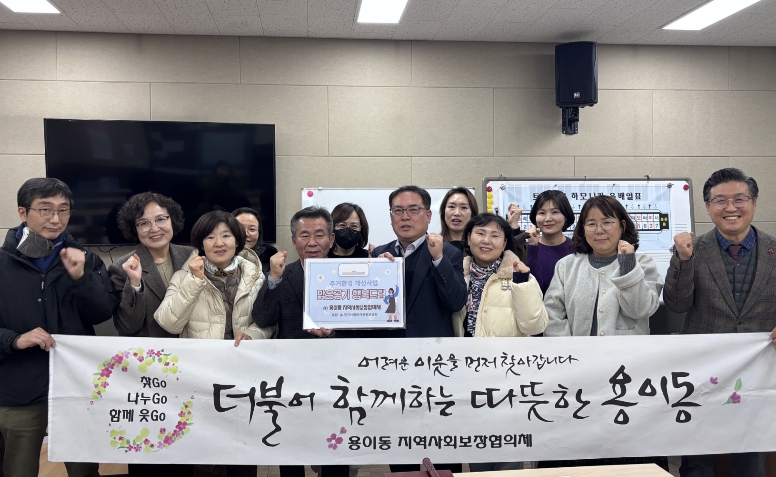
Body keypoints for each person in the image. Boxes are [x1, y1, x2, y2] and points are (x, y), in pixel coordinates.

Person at [0, 178, 118, 477]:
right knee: (17, 468)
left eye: (63, 210)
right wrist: (14, 339)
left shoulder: (86, 259)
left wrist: (82, 277)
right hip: (18, 386)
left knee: (84, 468)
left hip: (75, 384)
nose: (55, 219)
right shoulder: (2, 263)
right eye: (45, 209)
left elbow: (102, 313)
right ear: (23, 213)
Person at [664, 168, 776, 477]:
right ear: (707, 206)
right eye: (720, 201)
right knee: (697, 462)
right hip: (702, 371)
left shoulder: (774, 250)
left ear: (754, 203)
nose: (730, 208)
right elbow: (676, 304)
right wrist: (683, 260)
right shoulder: (692, 250)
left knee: (750, 462)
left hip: (758, 373)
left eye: (739, 199)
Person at [541, 194, 666, 471]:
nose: (599, 230)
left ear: (622, 225)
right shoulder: (567, 265)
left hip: (629, 375)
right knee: (582, 446)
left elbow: (641, 309)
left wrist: (627, 265)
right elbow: (552, 316)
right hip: (579, 376)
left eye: (607, 222)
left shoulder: (643, 262)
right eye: (591, 223)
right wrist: (573, 357)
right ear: (582, 229)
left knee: (626, 447)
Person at [154, 210, 272, 477]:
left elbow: (268, 322)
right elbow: (168, 323)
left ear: (237, 240)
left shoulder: (256, 276)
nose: (219, 243)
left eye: (226, 236)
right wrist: (195, 281)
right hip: (202, 378)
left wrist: (253, 334)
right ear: (201, 243)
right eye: (210, 237)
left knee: (243, 451)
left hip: (243, 375)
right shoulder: (184, 276)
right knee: (206, 455)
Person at [372, 186, 467, 474]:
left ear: (427, 215)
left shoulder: (448, 252)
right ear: (390, 216)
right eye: (398, 211)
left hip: (434, 366)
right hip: (390, 366)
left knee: (441, 447)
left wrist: (438, 260)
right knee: (399, 447)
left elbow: (456, 301)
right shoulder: (378, 254)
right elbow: (371, 311)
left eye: (413, 210)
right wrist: (375, 275)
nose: (405, 217)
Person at [252, 206, 349, 477]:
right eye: (304, 235)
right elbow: (262, 318)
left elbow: (362, 328)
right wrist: (273, 279)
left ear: (331, 239)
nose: (312, 242)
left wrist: (334, 334)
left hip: (336, 379)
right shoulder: (282, 274)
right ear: (294, 241)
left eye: (320, 234)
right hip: (291, 378)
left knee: (335, 453)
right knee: (291, 452)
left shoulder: (350, 274)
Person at [108, 192, 194, 477]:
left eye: (161, 219)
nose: (154, 228)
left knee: (187, 447)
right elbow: (126, 326)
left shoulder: (193, 256)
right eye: (144, 223)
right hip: (148, 376)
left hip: (191, 369)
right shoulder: (121, 266)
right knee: (148, 449)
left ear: (173, 221)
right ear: (134, 229)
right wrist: (134, 284)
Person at [522, 190, 575, 295]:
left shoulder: (577, 249)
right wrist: (533, 249)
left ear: (566, 216)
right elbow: (529, 290)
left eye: (555, 212)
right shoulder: (525, 250)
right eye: (542, 213)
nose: (548, 219)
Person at [233, 207, 278, 274]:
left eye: (252, 229)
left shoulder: (269, 257)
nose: (245, 234)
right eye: (240, 228)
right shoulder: (219, 254)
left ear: (259, 233)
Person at [439, 187, 478, 252]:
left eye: (463, 207)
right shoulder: (433, 246)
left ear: (472, 214)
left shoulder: (479, 249)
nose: (457, 213)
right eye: (451, 207)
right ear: (443, 212)